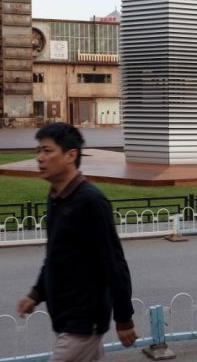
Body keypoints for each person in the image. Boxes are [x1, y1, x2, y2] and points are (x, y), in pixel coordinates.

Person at [16, 123, 137, 361]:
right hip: (65, 316)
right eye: (38, 151)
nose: (40, 158)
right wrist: (36, 294)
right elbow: (55, 255)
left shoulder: (91, 202)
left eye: (47, 151)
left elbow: (114, 264)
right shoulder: (56, 197)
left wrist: (124, 319)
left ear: (71, 155)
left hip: (83, 320)